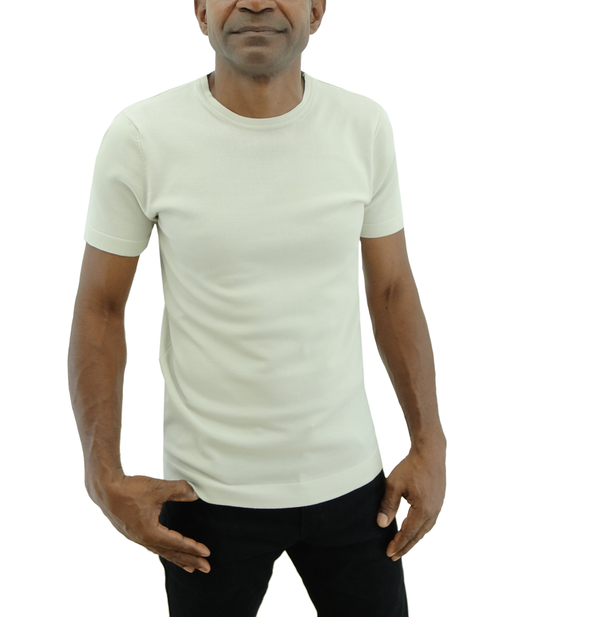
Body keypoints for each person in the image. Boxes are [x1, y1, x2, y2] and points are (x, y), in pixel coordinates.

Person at [67, 1, 447, 615]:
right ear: (200, 10)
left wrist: (430, 444)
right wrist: (101, 473)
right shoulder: (142, 136)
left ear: (317, 10)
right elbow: (101, 308)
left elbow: (392, 290)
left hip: (354, 487)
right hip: (204, 500)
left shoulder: (364, 126)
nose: (255, 1)